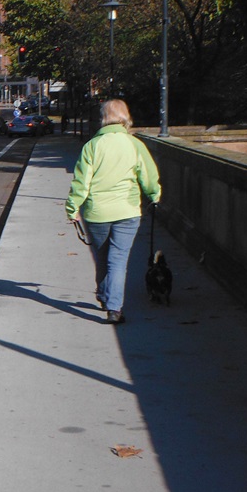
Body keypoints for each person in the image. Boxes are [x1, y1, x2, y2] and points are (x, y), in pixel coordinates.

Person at [65, 99, 161, 325]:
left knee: (102, 256)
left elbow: (81, 182)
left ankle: (103, 294)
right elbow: (147, 175)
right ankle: (114, 309)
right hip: (127, 211)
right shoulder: (134, 144)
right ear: (125, 117)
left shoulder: (92, 146)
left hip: (97, 213)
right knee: (118, 260)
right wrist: (154, 195)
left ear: (103, 118)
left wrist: (72, 208)